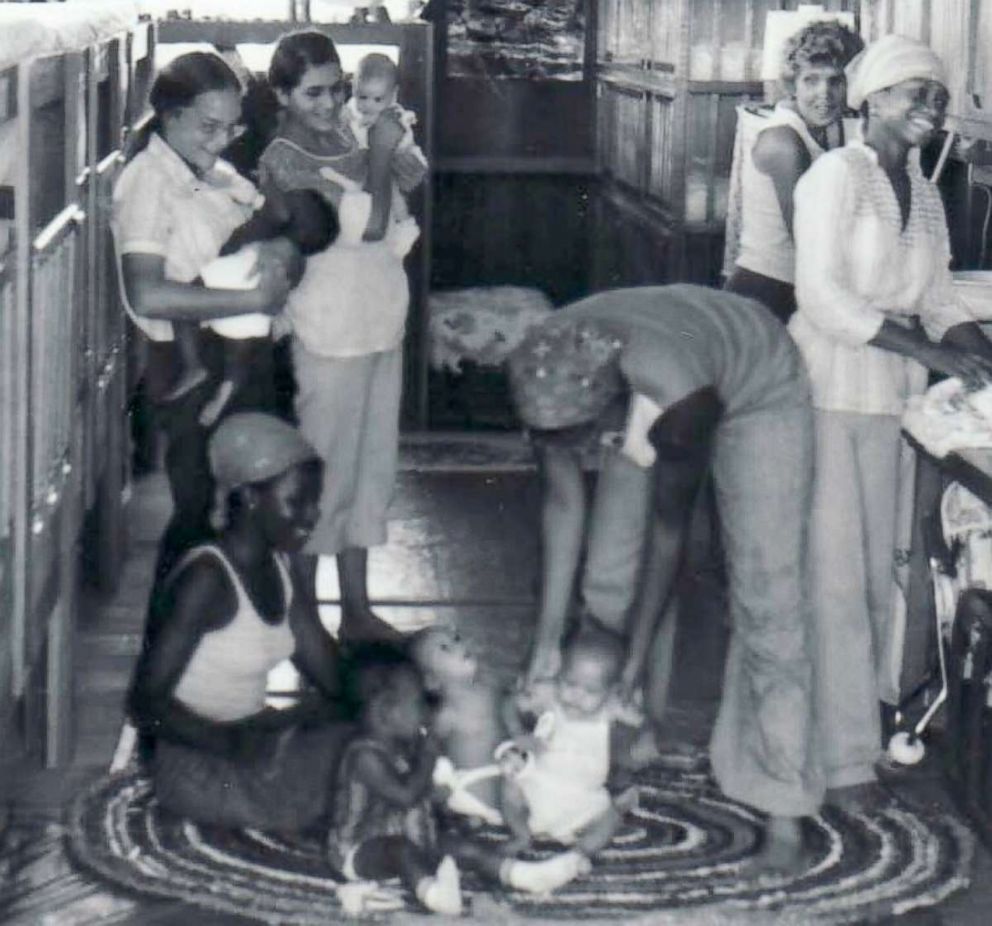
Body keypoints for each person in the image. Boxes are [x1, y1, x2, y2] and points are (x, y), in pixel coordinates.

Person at [506, 285, 823, 874]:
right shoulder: (545, 365)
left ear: (605, 406)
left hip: (756, 383)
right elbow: (563, 506)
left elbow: (668, 536)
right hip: (650, 380)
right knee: (605, 580)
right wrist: (548, 642)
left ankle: (784, 810)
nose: (574, 452)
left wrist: (635, 657)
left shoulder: (678, 406)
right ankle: (612, 750)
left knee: (768, 600)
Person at [790, 35, 992, 808]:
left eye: (939, 99)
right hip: (828, 386)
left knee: (889, 571)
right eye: (917, 94)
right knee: (836, 575)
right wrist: (929, 351)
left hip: (895, 395)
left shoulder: (927, 190)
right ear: (871, 97)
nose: (931, 111)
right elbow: (823, 298)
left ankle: (869, 726)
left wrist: (974, 357)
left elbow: (938, 301)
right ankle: (839, 757)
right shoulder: (832, 177)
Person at [258, 31, 428, 644]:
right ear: (282, 93)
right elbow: (366, 225)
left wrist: (392, 146)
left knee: (369, 474)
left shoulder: (353, 131)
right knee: (322, 478)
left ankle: (356, 611)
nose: (330, 103)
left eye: (338, 89)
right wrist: (381, 154)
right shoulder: (283, 157)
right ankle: (307, 618)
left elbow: (412, 182)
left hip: (381, 320)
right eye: (313, 93)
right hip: (328, 334)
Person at [113, 52, 300, 587]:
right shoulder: (148, 182)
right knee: (199, 523)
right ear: (170, 116)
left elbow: (271, 226)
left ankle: (223, 654)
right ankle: (168, 656)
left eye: (231, 126)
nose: (222, 140)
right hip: (193, 369)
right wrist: (254, 299)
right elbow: (146, 293)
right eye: (208, 126)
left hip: (244, 357)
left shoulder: (215, 173)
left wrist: (280, 257)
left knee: (243, 519)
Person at [127, 413, 355, 832]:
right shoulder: (207, 579)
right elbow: (145, 705)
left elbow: (332, 679)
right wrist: (237, 745)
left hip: (250, 732)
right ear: (250, 498)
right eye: (297, 501)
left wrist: (385, 693)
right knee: (330, 782)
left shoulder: (280, 566)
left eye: (314, 501)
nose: (312, 516)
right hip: (193, 755)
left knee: (357, 742)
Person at [327, 646, 593, 909]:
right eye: (419, 702)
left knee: (461, 846)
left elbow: (420, 795)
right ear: (386, 712)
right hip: (360, 850)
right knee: (400, 851)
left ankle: (524, 875)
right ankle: (435, 896)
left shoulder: (404, 744)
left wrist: (440, 799)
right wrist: (429, 754)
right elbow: (405, 795)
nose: (426, 712)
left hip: (410, 833)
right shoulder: (364, 757)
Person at [725, 20, 863, 324]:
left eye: (835, 81)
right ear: (792, 83)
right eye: (811, 80)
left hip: (806, 289)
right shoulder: (783, 141)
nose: (824, 93)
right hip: (765, 294)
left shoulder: (835, 129)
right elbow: (809, 241)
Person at [499, 622, 639, 864]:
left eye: (591, 691)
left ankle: (581, 853)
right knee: (509, 786)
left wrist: (646, 736)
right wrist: (518, 732)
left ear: (611, 690)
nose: (577, 695)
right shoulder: (549, 693)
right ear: (560, 672)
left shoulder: (612, 707)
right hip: (538, 785)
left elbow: (644, 722)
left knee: (611, 817)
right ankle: (521, 834)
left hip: (584, 799)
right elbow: (508, 703)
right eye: (570, 683)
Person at [340, 52, 426, 257]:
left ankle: (406, 225)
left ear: (393, 95)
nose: (369, 105)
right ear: (353, 88)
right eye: (363, 97)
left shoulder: (392, 113)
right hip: (365, 162)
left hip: (398, 155)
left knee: (393, 188)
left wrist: (399, 120)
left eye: (378, 99)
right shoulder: (351, 109)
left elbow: (401, 129)